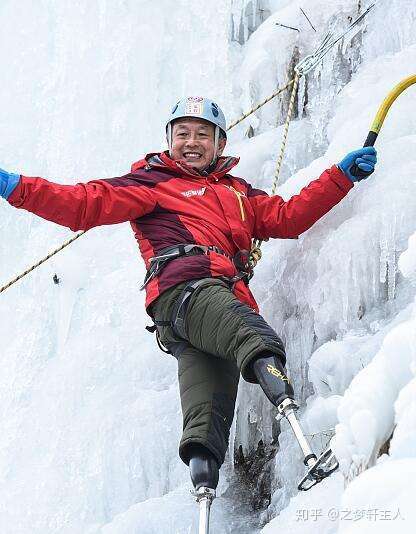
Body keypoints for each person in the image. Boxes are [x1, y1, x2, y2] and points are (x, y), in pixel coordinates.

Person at [0, 96, 377, 492]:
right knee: (256, 339)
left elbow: (287, 216)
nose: (191, 142)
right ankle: (308, 451)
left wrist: (341, 176)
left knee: (206, 420)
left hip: (192, 316)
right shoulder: (152, 182)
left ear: (220, 144)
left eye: (202, 134)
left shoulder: (239, 194)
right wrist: (15, 187)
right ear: (169, 140)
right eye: (182, 134)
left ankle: (204, 495)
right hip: (188, 290)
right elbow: (84, 203)